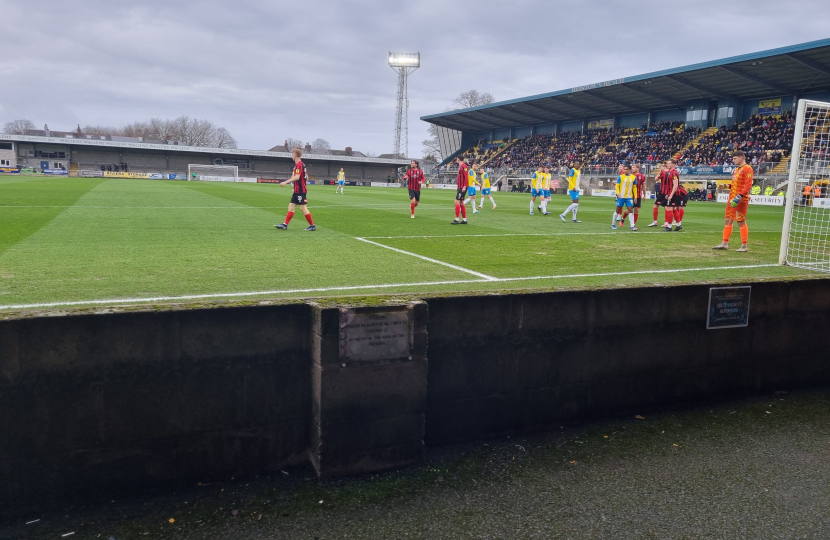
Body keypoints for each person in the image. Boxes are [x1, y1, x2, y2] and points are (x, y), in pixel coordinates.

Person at [713, 150, 753, 252]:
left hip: (740, 200)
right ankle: (724, 243)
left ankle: (744, 246)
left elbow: (748, 185)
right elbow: (735, 185)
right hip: (732, 199)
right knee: (727, 220)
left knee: (740, 222)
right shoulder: (736, 170)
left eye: (735, 158)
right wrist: (727, 186)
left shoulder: (747, 169)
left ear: (741, 158)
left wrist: (739, 196)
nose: (733, 160)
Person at [275, 148, 316, 231]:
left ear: (296, 155)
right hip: (298, 190)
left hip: (300, 190)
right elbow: (306, 177)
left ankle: (312, 225)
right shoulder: (301, 165)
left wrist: (285, 182)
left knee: (303, 208)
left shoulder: (298, 165)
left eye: (292, 154)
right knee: (291, 206)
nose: (292, 156)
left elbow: (297, 177)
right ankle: (285, 224)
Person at [662, 159, 686, 232]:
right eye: (667, 163)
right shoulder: (670, 172)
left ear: (673, 164)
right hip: (672, 193)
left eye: (669, 163)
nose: (668, 164)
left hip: (675, 193)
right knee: (674, 209)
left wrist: (671, 195)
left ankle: (669, 227)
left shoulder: (674, 173)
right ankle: (678, 225)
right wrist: (668, 193)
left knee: (669, 209)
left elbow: (675, 185)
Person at [612, 164, 638, 231]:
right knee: (617, 211)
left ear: (630, 170)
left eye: (627, 169)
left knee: (630, 210)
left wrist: (635, 196)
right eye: (624, 169)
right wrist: (618, 193)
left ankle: (632, 226)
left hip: (629, 197)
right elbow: (617, 186)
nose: (625, 171)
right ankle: (613, 224)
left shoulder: (633, 177)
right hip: (621, 197)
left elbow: (635, 188)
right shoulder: (620, 177)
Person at [451, 157, 469, 225]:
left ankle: (457, 219)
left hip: (462, 187)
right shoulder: (461, 166)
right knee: (461, 202)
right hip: (460, 187)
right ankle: (464, 220)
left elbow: (466, 176)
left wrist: (464, 186)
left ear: (458, 159)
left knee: (457, 201)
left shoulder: (464, 166)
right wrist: (458, 187)